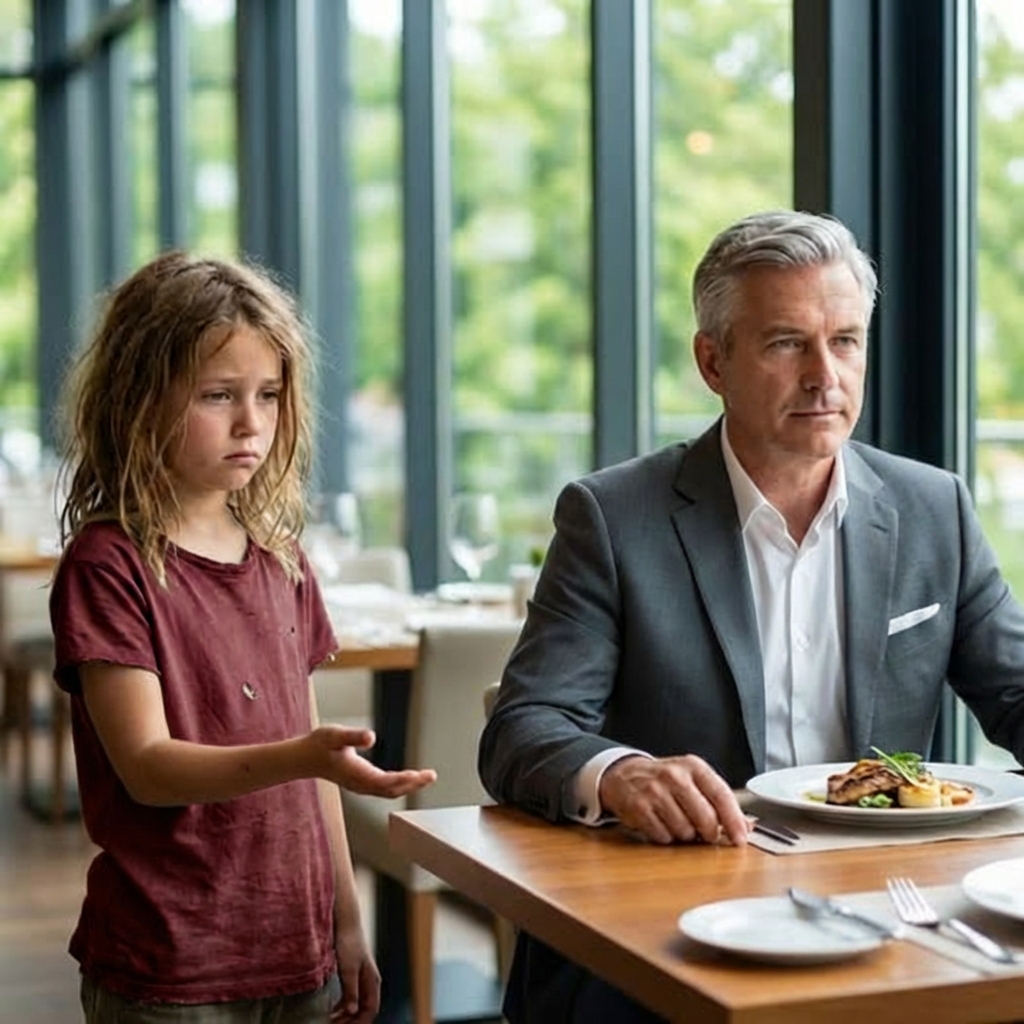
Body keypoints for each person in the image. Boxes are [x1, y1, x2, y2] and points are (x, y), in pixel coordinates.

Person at [478, 209, 1024, 1023]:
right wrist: (621, 773)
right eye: (784, 344)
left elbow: (1014, 690)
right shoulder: (613, 515)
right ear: (712, 360)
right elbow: (524, 729)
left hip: (887, 913)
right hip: (682, 914)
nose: (823, 376)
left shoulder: (930, 506)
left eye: (844, 341)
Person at [50, 251, 436, 1023]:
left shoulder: (283, 559)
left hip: (296, 949)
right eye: (217, 395)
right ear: (137, 399)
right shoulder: (107, 565)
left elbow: (313, 759)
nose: (251, 423)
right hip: (170, 961)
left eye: (268, 395)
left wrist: (346, 918)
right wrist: (301, 756)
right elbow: (149, 770)